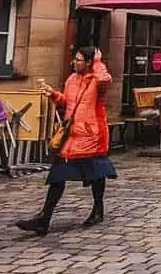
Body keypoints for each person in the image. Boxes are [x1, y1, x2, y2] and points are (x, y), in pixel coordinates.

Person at [16, 47, 117, 236]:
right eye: (74, 59)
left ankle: (98, 209)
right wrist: (54, 94)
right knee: (58, 175)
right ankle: (44, 219)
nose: (74, 62)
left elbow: (106, 79)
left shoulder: (97, 80)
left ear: (88, 62)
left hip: (91, 135)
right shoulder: (71, 79)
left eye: (79, 60)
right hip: (71, 135)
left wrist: (97, 62)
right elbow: (67, 102)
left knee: (96, 173)